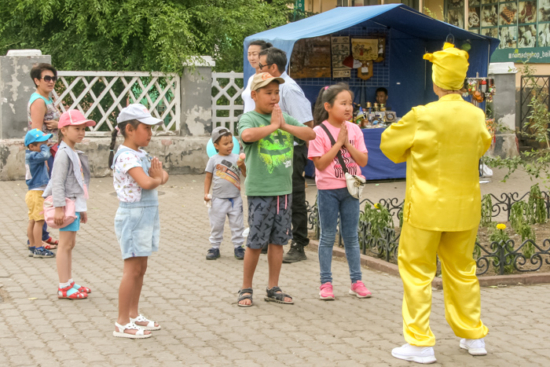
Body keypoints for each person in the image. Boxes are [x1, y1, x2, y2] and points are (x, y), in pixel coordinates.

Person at [381, 43, 491, 363]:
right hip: (465, 207)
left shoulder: (422, 115)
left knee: (417, 272)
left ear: (436, 82)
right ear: (461, 81)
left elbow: (389, 144)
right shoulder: (476, 115)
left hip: (427, 208)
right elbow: (481, 146)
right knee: (462, 270)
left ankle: (419, 343)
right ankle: (473, 337)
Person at [236, 72, 315, 307]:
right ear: (254, 95)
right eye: (268, 93)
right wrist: (273, 126)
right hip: (261, 190)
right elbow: (247, 135)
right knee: (255, 241)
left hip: (284, 190)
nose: (273, 97)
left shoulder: (284, 117)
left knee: (278, 241)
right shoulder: (249, 118)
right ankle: (245, 288)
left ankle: (273, 287)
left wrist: (283, 125)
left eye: (276, 93)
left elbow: (310, 134)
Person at [108, 104, 169, 339]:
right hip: (133, 216)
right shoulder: (124, 155)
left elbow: (163, 175)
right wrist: (156, 179)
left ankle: (134, 314)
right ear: (130, 129)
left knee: (141, 268)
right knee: (131, 270)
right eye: (146, 128)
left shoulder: (141, 154)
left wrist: (157, 178)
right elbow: (147, 182)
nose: (150, 133)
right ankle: (122, 322)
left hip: (147, 214)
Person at [308, 84, 371, 301]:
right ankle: (326, 283)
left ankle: (357, 281)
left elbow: (363, 160)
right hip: (328, 191)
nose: (348, 108)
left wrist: (348, 144)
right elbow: (320, 164)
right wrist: (338, 144)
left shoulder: (355, 130)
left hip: (350, 190)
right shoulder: (318, 132)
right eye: (342, 103)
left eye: (350, 103)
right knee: (327, 237)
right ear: (328, 106)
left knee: (351, 237)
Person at [258, 47, 314, 263]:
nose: (258, 69)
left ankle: (299, 244)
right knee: (274, 194)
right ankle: (269, 239)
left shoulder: (289, 89)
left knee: (295, 196)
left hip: (292, 149)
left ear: (273, 67)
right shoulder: (270, 88)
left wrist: (300, 155)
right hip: (274, 150)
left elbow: (307, 124)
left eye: (262, 66)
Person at [43, 109, 95, 300]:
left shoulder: (72, 151)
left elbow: (78, 183)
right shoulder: (63, 153)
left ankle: (69, 281)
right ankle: (64, 286)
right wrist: (58, 207)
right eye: (77, 128)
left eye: (83, 129)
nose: (81, 132)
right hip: (65, 204)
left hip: (73, 204)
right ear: (63, 130)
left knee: (70, 243)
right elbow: (56, 182)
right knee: (65, 245)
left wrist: (82, 209)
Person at [28, 63, 60, 249]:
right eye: (46, 78)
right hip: (45, 152)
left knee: (48, 193)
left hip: (50, 150)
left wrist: (59, 124)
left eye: (53, 78)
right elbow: (36, 132)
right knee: (44, 194)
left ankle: (43, 234)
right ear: (37, 80)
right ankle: (36, 238)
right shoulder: (39, 100)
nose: (51, 81)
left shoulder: (46, 98)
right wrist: (43, 159)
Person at [204, 126, 246, 260]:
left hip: (235, 199)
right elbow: (208, 177)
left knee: (237, 224)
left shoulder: (237, 158)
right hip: (218, 200)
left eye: (231, 142)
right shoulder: (213, 160)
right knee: (216, 224)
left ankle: (239, 247)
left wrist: (242, 165)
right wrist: (206, 193)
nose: (229, 145)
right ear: (216, 145)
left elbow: (245, 174)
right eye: (225, 143)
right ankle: (214, 247)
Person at [24, 129, 55, 258]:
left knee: (32, 220)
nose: (45, 146)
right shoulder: (32, 155)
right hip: (37, 194)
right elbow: (45, 155)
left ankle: (32, 245)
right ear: (32, 146)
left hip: (34, 193)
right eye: (42, 145)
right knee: (39, 221)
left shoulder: (33, 156)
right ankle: (38, 247)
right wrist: (45, 149)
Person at [242, 40, 273, 113]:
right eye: (249, 54)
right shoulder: (251, 78)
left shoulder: (268, 78)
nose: (251, 58)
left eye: (254, 54)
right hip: (247, 122)